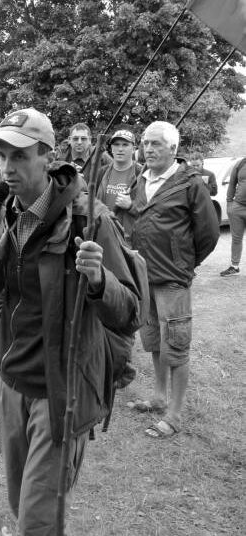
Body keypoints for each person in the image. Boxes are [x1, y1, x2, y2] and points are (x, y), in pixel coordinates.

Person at [0, 108, 142, 533]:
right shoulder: (5, 211)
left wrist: (99, 280)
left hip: (61, 391)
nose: (7, 167)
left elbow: (131, 313)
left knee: (38, 520)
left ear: (47, 156)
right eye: (1, 155)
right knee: (19, 502)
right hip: (12, 382)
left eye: (20, 156)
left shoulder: (89, 220)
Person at [128, 121, 219, 437]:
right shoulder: (141, 180)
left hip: (172, 280)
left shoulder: (190, 183)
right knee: (154, 341)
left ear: (173, 149)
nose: (148, 149)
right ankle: (158, 396)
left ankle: (175, 414)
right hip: (144, 277)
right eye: (145, 143)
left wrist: (183, 263)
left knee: (176, 345)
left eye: (155, 143)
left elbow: (208, 232)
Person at [96, 129, 142, 245]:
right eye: (116, 144)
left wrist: (131, 206)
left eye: (125, 145)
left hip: (129, 241)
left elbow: (152, 212)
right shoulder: (101, 173)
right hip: (103, 235)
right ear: (111, 148)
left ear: (134, 149)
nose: (120, 149)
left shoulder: (141, 173)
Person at [220, 156, 246, 276]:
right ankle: (234, 266)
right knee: (236, 239)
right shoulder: (240, 163)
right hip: (238, 207)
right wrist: (230, 203)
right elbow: (232, 184)